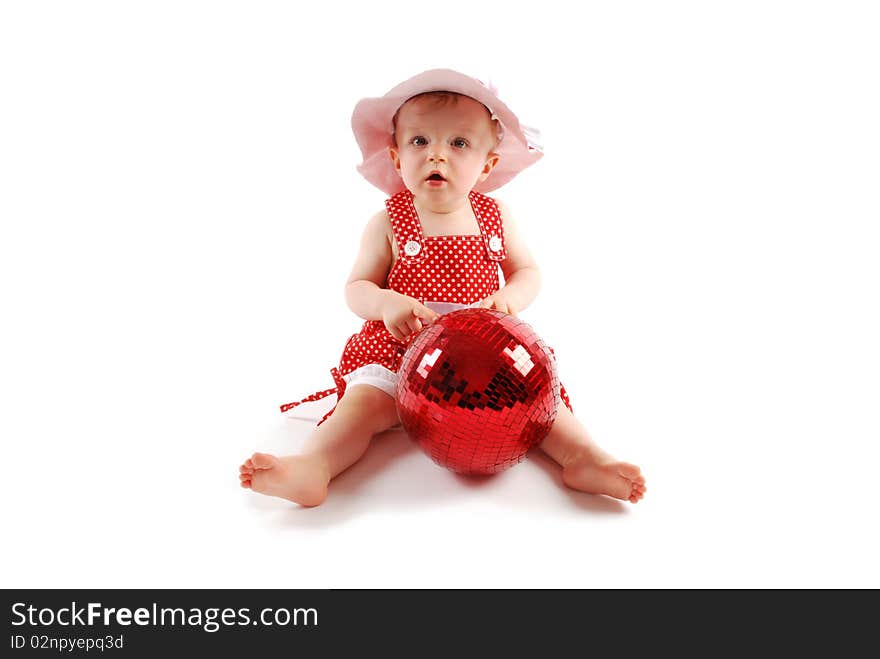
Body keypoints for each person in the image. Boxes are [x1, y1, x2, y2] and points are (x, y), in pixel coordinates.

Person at [239, 69, 646, 506]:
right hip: (403, 348)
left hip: (483, 362)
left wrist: (509, 299)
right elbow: (356, 287)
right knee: (361, 407)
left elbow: (529, 272)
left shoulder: (496, 217)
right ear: (396, 158)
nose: (437, 156)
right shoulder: (389, 223)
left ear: (487, 164)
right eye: (420, 142)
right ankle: (312, 467)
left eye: (458, 144)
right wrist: (386, 302)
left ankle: (585, 458)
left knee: (544, 409)